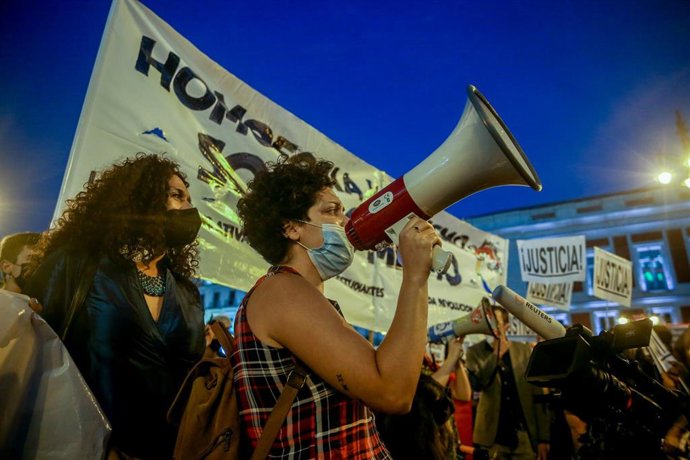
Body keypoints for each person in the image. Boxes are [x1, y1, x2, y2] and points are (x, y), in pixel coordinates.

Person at [232, 152, 441, 458]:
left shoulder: (299, 295)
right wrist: (415, 277)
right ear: (291, 228)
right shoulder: (282, 292)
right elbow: (393, 392)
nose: (345, 222)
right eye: (332, 212)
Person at [26, 153, 205, 459]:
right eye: (177, 196)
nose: (190, 208)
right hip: (83, 447)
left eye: (188, 198)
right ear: (141, 199)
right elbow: (34, 356)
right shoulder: (76, 265)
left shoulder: (187, 293)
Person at [465, 304, 550, 460]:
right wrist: (497, 355)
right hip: (492, 438)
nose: (490, 326)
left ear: (506, 326)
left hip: (524, 435)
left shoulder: (523, 351)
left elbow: (536, 395)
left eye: (495, 322)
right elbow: (478, 384)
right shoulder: (474, 352)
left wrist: (543, 437)